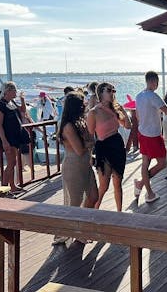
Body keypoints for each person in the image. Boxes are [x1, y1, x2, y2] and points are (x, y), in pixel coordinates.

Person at [133, 71, 167, 203]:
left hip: (142, 132)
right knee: (162, 163)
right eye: (157, 82)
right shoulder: (153, 96)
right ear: (154, 82)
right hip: (153, 135)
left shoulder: (139, 96)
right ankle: (148, 192)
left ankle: (141, 185)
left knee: (145, 163)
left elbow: (137, 116)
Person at [54, 91, 98, 245]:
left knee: (93, 196)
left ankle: (81, 228)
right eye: (82, 103)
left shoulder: (80, 121)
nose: (85, 105)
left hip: (85, 165)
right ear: (76, 106)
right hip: (73, 166)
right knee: (75, 201)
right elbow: (79, 148)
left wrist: (89, 142)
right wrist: (89, 143)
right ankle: (70, 231)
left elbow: (90, 139)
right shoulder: (67, 126)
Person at [87, 82, 131, 212]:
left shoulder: (114, 109)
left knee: (118, 182)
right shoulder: (94, 112)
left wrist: (122, 110)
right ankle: (94, 211)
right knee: (104, 185)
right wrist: (89, 156)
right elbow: (90, 136)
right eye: (109, 90)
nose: (112, 93)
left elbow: (128, 126)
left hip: (117, 146)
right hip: (104, 148)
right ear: (101, 93)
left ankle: (119, 212)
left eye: (114, 91)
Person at [0, 82, 30, 193]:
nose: (16, 92)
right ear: (7, 91)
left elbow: (23, 111)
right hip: (8, 138)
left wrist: (23, 99)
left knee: (13, 163)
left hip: (15, 137)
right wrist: (4, 141)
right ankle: (4, 189)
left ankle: (12, 186)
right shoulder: (0, 105)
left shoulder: (12, 102)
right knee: (11, 163)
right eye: (14, 90)